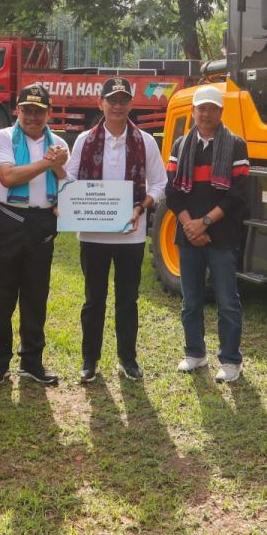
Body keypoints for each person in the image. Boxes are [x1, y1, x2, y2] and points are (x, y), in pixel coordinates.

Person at [64, 78, 167, 383]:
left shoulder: (145, 141)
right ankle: (89, 360)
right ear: (101, 103)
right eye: (112, 100)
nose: (118, 105)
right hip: (93, 234)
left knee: (127, 299)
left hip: (130, 235)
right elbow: (69, 179)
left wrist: (142, 205)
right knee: (93, 299)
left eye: (123, 100)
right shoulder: (84, 140)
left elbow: (159, 183)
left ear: (131, 104)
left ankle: (128, 359)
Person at [0, 84, 68, 386]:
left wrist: (59, 172)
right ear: (17, 110)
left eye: (39, 111)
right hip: (7, 219)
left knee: (36, 294)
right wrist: (48, 163)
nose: (32, 116)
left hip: (42, 222)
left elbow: (67, 183)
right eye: (27, 110)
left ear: (48, 114)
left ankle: (32, 361)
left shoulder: (57, 143)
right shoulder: (2, 137)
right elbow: (7, 177)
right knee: (0, 293)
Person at [165, 86, 250, 383]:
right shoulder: (180, 145)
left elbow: (237, 195)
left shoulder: (236, 145)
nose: (205, 113)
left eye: (211, 108)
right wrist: (190, 225)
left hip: (222, 237)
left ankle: (230, 360)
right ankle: (195, 354)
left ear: (220, 113)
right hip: (188, 235)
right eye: (201, 108)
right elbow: (172, 192)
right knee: (191, 300)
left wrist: (205, 222)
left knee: (227, 301)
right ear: (193, 112)